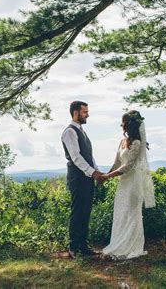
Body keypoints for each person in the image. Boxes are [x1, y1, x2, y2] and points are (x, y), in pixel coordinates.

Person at [100, 110, 155, 261]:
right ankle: (118, 242)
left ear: (129, 124)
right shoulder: (122, 141)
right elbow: (117, 163)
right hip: (123, 184)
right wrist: (105, 176)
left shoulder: (137, 144)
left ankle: (131, 246)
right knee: (121, 212)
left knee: (132, 214)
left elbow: (127, 167)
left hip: (133, 182)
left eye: (123, 123)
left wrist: (108, 176)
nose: (121, 125)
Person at [61, 101, 105, 259]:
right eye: (85, 112)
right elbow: (76, 157)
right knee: (78, 211)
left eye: (87, 111)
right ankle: (74, 247)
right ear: (75, 113)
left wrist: (97, 171)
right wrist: (93, 173)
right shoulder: (69, 132)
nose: (88, 114)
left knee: (86, 211)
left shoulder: (82, 132)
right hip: (77, 178)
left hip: (87, 177)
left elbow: (89, 156)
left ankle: (83, 246)